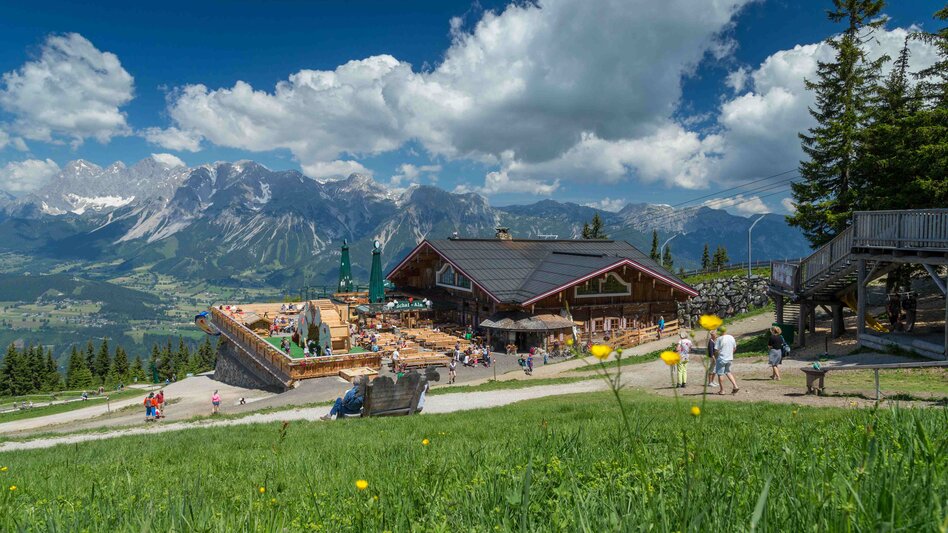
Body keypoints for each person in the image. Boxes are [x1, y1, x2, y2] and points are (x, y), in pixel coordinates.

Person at [714, 330, 740, 395]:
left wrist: (716, 357)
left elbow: (716, 350)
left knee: (720, 374)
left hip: (722, 359)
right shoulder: (731, 337)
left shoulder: (719, 339)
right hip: (730, 358)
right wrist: (730, 354)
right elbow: (734, 348)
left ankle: (722, 390)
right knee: (728, 372)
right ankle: (735, 386)